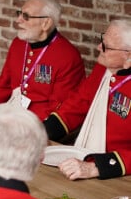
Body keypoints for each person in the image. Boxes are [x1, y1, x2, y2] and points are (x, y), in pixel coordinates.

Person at [45, 19, 131, 180]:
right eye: (101, 41)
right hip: (86, 159)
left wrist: (98, 167)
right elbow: (79, 102)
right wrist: (42, 131)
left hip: (119, 173)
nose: (99, 48)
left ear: (129, 57)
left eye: (106, 46)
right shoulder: (104, 68)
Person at [0, 0, 85, 121]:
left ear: (45, 23)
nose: (18, 20)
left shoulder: (67, 56)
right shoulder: (18, 44)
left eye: (26, 16)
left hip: (39, 123)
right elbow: (5, 82)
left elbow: (60, 106)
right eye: (19, 13)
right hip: (12, 113)